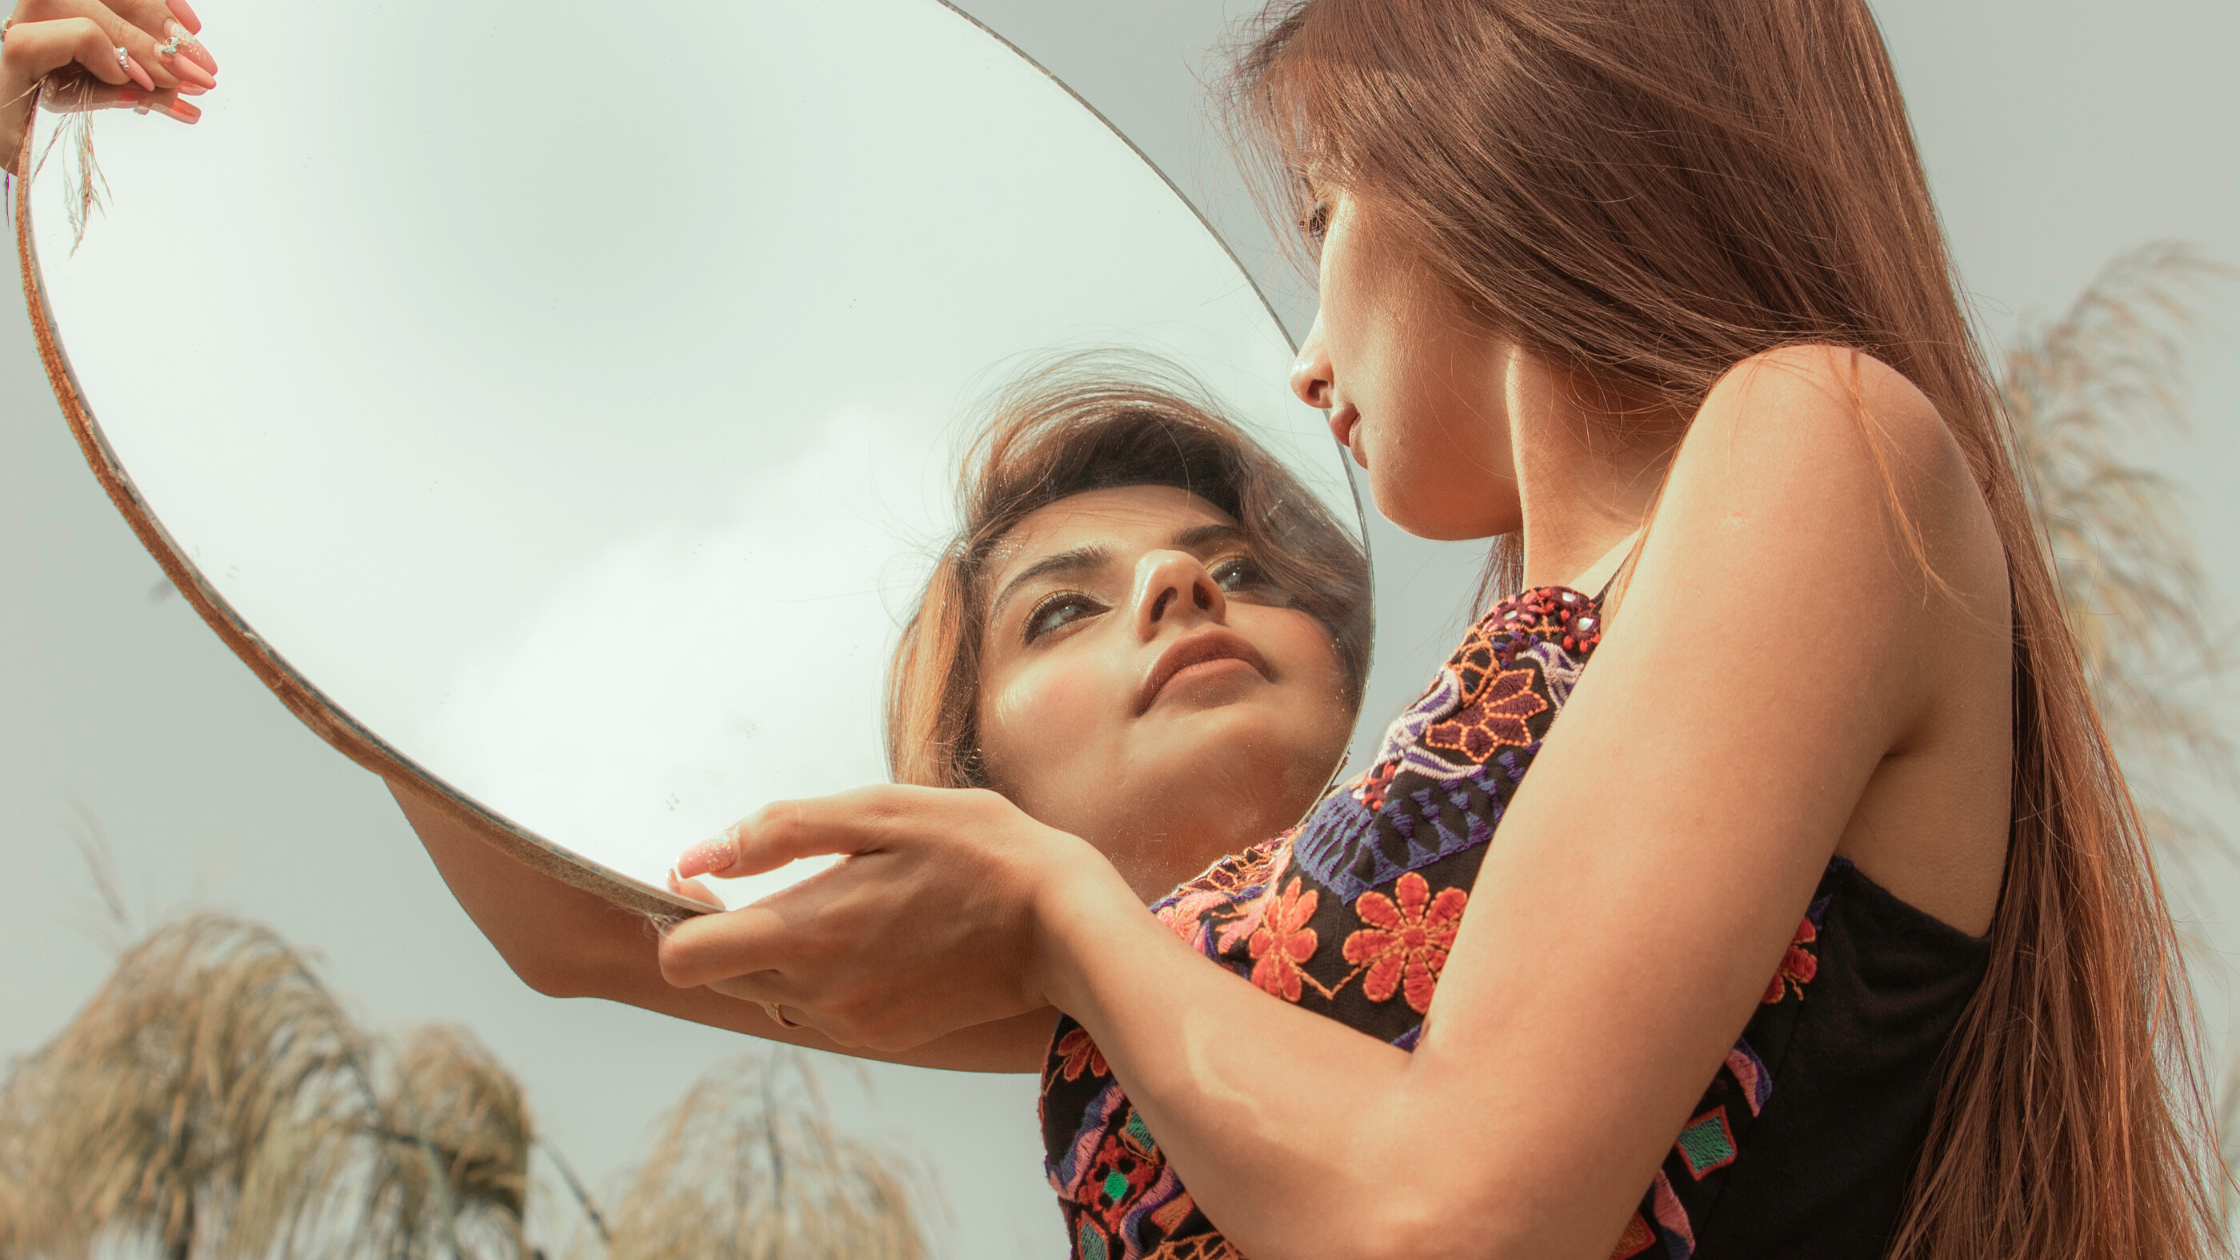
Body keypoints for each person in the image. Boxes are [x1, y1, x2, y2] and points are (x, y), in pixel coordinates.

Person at [653, 2, 2223, 1258]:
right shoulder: (1430, 786)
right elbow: (617, 928)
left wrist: (1067, 917)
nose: (1306, 353)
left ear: (1485, 150)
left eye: (1322, 210)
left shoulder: (1818, 437)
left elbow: (1454, 1218)